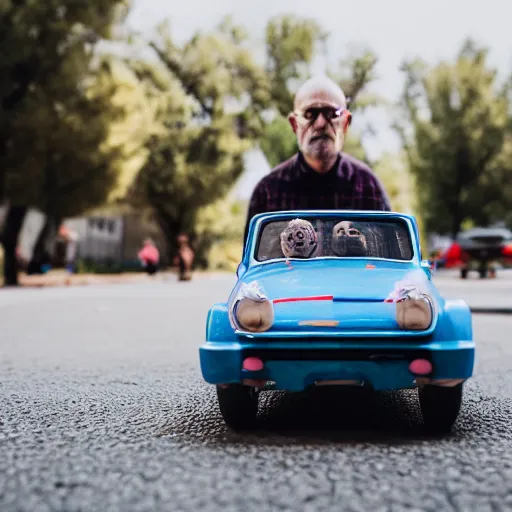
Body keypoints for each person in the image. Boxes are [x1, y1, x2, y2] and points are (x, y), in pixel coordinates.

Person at [244, 75, 392, 244]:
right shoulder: (267, 193)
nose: (321, 123)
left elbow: (390, 263)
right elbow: (254, 269)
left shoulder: (368, 187)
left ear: (345, 123)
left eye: (331, 113)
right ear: (294, 124)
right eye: (310, 114)